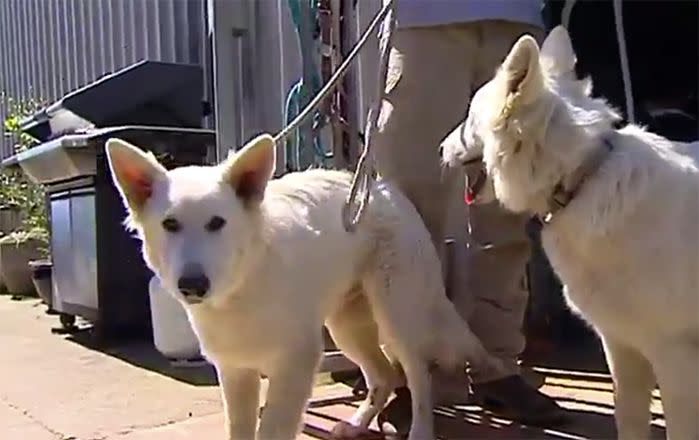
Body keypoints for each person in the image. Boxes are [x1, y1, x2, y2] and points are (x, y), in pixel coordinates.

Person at [369, 0, 568, 433]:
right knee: (410, 212)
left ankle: (498, 366)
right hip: (424, 21)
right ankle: (410, 376)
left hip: (516, 21)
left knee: (507, 207)